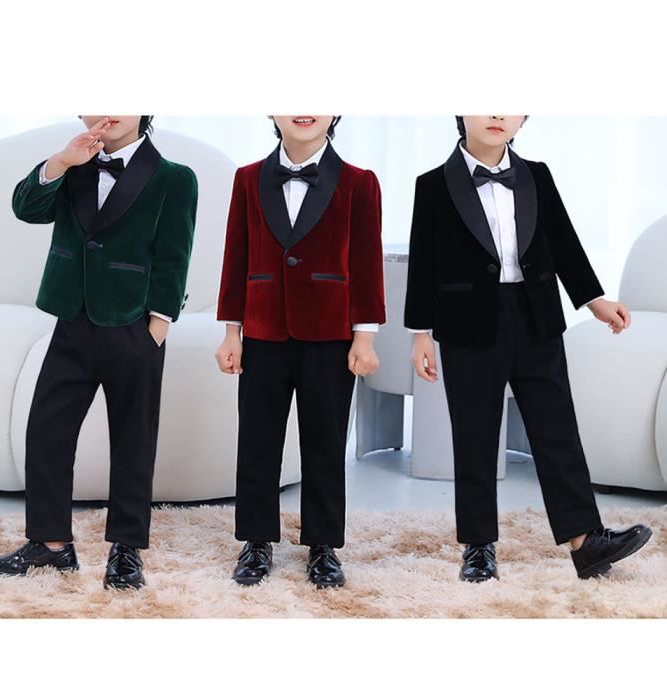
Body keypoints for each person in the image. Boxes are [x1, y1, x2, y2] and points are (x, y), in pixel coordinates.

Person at [404, 115, 651, 582]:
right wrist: (420, 334)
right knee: (475, 435)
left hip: (536, 316)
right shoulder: (433, 184)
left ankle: (585, 541)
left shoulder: (536, 174)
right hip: (467, 324)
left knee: (556, 427)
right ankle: (478, 547)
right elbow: (424, 261)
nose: (497, 115)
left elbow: (563, 241)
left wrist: (594, 300)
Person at [0, 115, 198, 590]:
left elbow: (174, 253)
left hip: (134, 325)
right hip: (71, 320)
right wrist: (61, 161)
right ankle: (51, 544)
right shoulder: (73, 166)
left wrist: (159, 323)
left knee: (133, 440)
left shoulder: (175, 178)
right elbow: (26, 208)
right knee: (47, 431)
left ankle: (126, 549)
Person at [215, 115, 385, 588]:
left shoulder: (359, 183)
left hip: (331, 334)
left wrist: (365, 336)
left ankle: (323, 545)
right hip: (263, 331)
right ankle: (256, 540)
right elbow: (236, 255)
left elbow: (367, 262)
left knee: (326, 442)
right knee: (257, 442)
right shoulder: (248, 179)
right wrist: (231, 332)